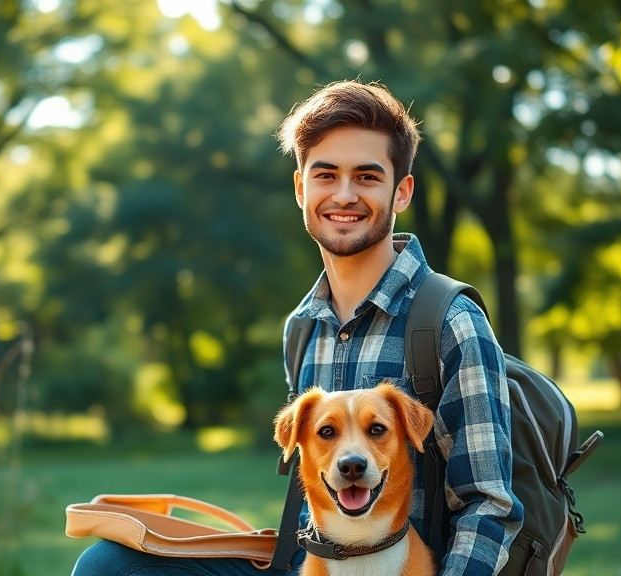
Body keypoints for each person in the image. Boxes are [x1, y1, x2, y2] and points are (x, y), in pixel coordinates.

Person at [70, 79, 522, 576]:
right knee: (109, 565)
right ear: (301, 187)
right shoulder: (302, 329)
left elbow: (489, 507)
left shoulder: (450, 321)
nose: (344, 195)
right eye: (326, 174)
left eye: (368, 177)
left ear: (402, 192)